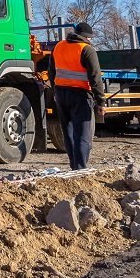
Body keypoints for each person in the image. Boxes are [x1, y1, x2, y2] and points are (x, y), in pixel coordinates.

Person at [46, 22, 106, 170]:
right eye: (90, 38)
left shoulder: (58, 47)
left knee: (69, 134)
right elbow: (95, 78)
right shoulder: (87, 50)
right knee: (83, 136)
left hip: (60, 94)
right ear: (86, 37)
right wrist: (101, 102)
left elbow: (51, 72)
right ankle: (80, 169)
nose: (90, 41)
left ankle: (74, 166)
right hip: (80, 95)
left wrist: (55, 91)